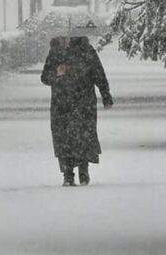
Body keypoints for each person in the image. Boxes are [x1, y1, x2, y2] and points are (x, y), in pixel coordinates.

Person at [41, 36, 113, 186]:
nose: (63, 39)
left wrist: (106, 95)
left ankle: (83, 170)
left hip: (83, 101)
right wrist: (57, 74)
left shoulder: (86, 51)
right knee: (63, 138)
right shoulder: (55, 52)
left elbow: (98, 73)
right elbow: (45, 78)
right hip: (61, 104)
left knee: (83, 135)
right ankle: (68, 174)